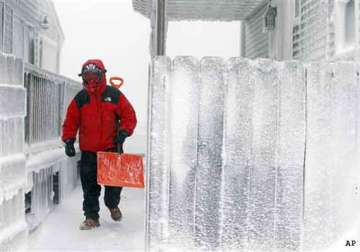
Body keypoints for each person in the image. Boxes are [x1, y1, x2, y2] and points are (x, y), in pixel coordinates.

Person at [62, 59, 137, 230]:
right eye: (87, 76)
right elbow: (71, 121)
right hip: (89, 152)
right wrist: (68, 140)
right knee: (89, 188)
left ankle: (112, 205)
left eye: (94, 76)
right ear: (83, 78)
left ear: (102, 75)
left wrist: (124, 132)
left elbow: (129, 115)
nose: (91, 80)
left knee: (113, 186)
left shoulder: (114, 95)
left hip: (111, 150)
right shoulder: (81, 98)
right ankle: (91, 217)